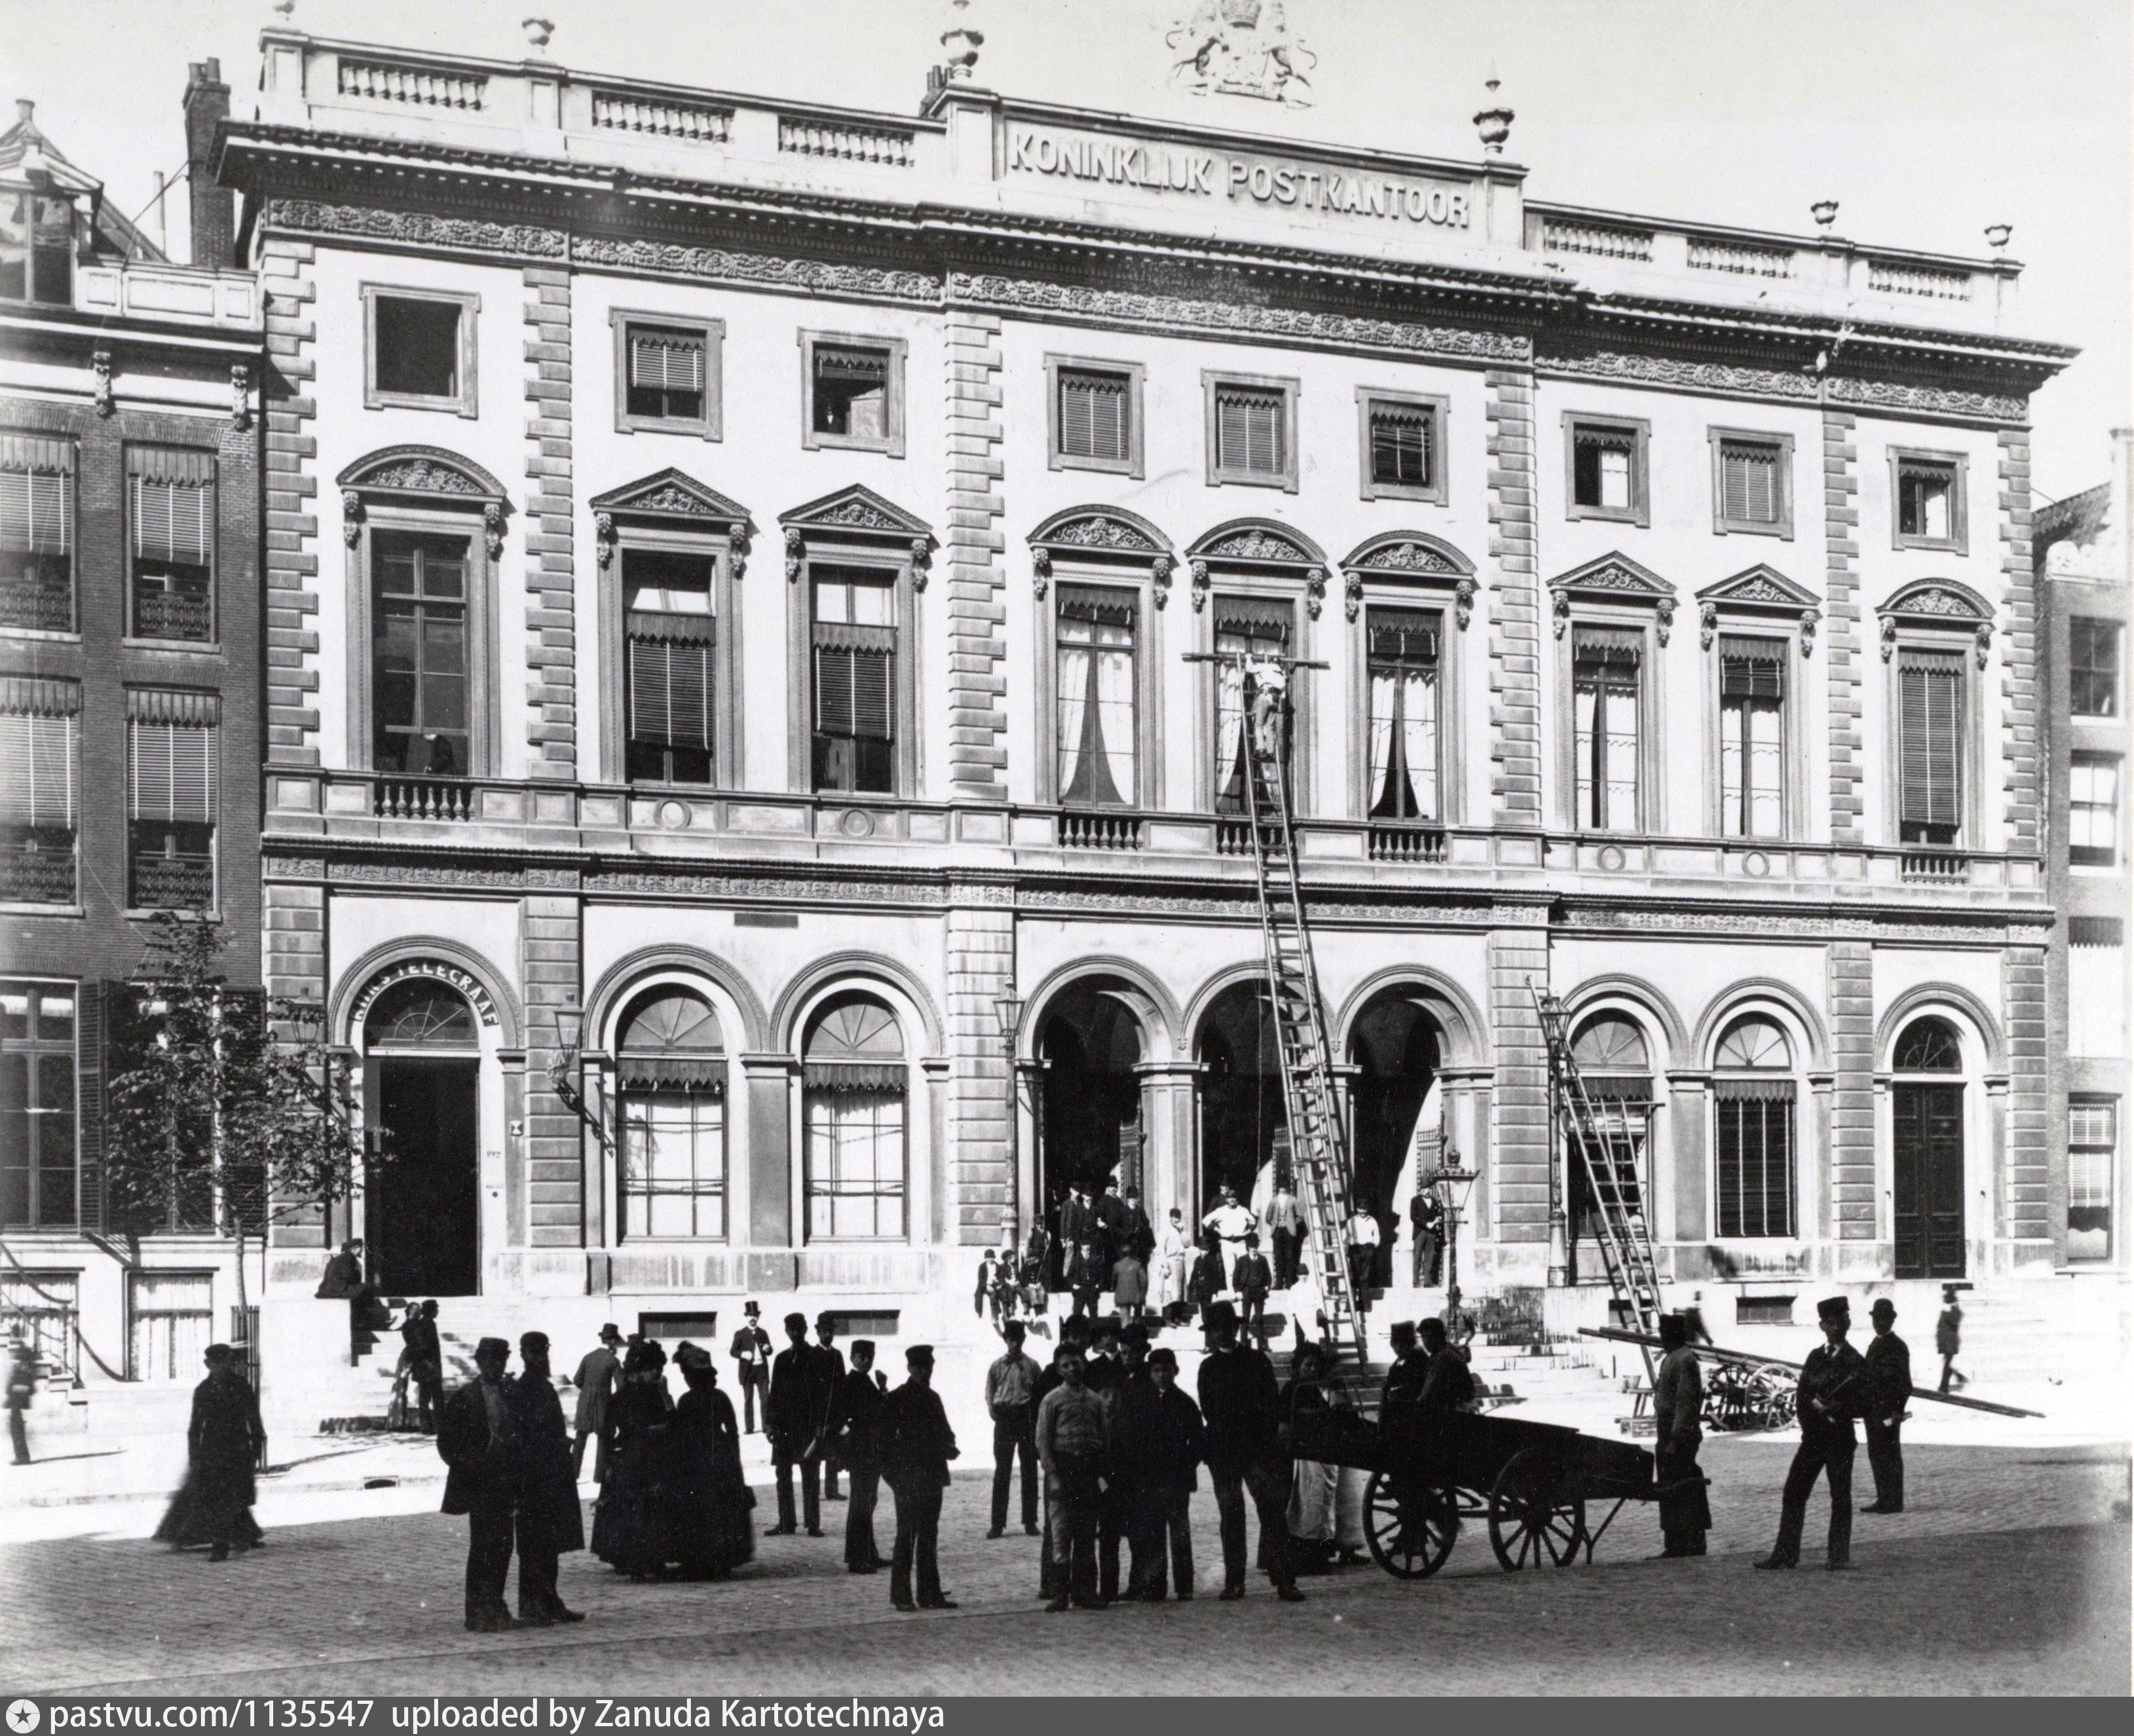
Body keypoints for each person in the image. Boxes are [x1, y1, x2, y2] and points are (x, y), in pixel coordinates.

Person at [1196, 1301, 1301, 1602]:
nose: (1220, 1334)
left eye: (1225, 1328)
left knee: (1271, 1512)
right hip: (1224, 1452)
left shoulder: (1257, 1361)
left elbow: (1271, 1402)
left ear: (1235, 1329)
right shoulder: (1208, 1367)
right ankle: (1234, 1582)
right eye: (1214, 1330)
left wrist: (1260, 1436)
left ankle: (1285, 1581)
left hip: (1257, 1450)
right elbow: (1208, 1410)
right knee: (1231, 1515)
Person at [1756, 1296, 1866, 1571]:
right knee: (1793, 1492)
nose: (1839, 1326)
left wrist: (1838, 1409)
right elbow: (1801, 1396)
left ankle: (1838, 1557)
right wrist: (1810, 1423)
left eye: (1843, 1321)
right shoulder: (1815, 1357)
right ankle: (1785, 1554)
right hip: (1814, 1439)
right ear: (1823, 1326)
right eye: (1833, 1322)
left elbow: (1865, 1403)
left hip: (1840, 1439)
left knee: (1840, 1497)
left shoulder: (1855, 1360)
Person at [153, 1344, 267, 1561]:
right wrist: (194, 1456)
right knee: (217, 1499)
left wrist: (256, 1449)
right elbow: (195, 1426)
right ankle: (221, 1545)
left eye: (227, 1362)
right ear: (208, 1364)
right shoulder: (203, 1390)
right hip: (212, 1451)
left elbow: (254, 1418)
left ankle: (237, 1538)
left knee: (235, 1497)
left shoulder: (241, 1386)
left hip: (238, 1449)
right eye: (218, 1363)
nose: (224, 1367)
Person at [438, 1337, 522, 1630]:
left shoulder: (511, 1393)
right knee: (483, 1547)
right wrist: (469, 1464)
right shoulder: (465, 1398)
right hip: (480, 1484)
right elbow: (446, 1444)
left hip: (506, 1481)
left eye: (501, 1361)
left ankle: (496, 1608)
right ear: (479, 1362)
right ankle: (476, 1614)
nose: (496, 1366)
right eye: (490, 1361)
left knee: (503, 1546)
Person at [508, 1331, 586, 1623]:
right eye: (535, 1352)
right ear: (524, 1355)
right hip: (534, 1477)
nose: (542, 1358)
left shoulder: (543, 1386)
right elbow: (523, 1434)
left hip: (552, 1474)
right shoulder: (523, 1389)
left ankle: (550, 1601)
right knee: (534, 1544)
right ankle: (532, 1606)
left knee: (549, 1543)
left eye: (543, 1351)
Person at [878, 1344, 959, 1611]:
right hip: (908, 1480)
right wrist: (896, 1480)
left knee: (928, 1536)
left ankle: (929, 1594)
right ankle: (901, 1595)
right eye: (920, 1367)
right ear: (910, 1368)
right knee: (906, 1535)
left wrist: (949, 1447)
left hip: (932, 1477)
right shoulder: (897, 1399)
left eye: (929, 1367)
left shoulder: (934, 1398)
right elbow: (883, 1446)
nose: (926, 1372)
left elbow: (947, 1433)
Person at [590, 1338, 677, 1579]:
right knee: (637, 1509)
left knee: (643, 1509)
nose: (657, 1374)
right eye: (652, 1369)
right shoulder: (633, 1396)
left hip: (644, 1458)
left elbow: (673, 1422)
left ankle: (644, 1559)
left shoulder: (650, 1394)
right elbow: (612, 1431)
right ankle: (637, 1560)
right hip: (635, 1458)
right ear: (639, 1371)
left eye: (659, 1369)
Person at [670, 1342, 754, 1579]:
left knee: (699, 1510)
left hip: (696, 1459)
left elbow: (680, 1432)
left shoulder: (686, 1400)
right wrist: (735, 1459)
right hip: (722, 1456)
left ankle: (698, 1559)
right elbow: (733, 1431)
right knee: (721, 1509)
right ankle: (722, 1558)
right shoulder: (721, 1397)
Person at [1036, 1344, 1109, 1611]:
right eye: (1065, 1365)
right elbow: (1043, 1441)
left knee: (1086, 1532)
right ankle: (1060, 1594)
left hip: (1087, 1472)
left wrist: (1101, 1474)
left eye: (1076, 1363)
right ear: (1059, 1370)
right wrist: (1053, 1474)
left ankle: (1085, 1592)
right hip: (1062, 1470)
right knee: (1061, 1531)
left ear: (1084, 1364)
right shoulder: (1051, 1400)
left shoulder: (1096, 1401)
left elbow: (1104, 1439)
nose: (1072, 1369)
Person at [1129, 1346, 1203, 1600]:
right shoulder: (1141, 1403)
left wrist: (1185, 1466)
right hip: (1149, 1480)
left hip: (1177, 1480)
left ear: (1176, 1371)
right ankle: (1155, 1585)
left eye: (1167, 1370)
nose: (1162, 1375)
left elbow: (1198, 1441)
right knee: (1154, 1533)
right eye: (1157, 1370)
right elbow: (1134, 1440)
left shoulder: (1186, 1403)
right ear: (1150, 1373)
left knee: (1180, 1532)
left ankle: (1184, 1586)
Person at [767, 1312, 834, 1536]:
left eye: (798, 1328)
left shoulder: (815, 1357)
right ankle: (786, 1522)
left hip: (807, 1427)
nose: (794, 1333)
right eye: (791, 1329)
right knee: (783, 1475)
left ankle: (813, 1524)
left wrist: (820, 1424)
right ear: (786, 1331)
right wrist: (770, 1423)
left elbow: (822, 1395)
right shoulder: (781, 1359)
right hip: (784, 1428)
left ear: (806, 1330)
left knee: (811, 1474)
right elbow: (773, 1394)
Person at [1649, 1314, 1711, 1558]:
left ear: (1672, 1335)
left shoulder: (1684, 1360)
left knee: (1682, 1487)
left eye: (1663, 1334)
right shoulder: (1672, 1358)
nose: (1661, 1338)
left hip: (1678, 1434)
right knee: (1669, 1487)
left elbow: (1686, 1404)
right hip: (1667, 1430)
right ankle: (1675, 1543)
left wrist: (1676, 1438)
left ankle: (1691, 1543)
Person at [832, 1340, 890, 1574]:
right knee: (860, 1503)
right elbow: (839, 1420)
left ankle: (869, 1553)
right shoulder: (848, 1383)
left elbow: (881, 1410)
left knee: (869, 1501)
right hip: (859, 1453)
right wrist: (851, 1438)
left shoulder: (867, 1382)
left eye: (870, 1357)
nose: (867, 1361)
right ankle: (857, 1559)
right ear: (852, 1358)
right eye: (862, 1356)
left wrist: (883, 1386)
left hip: (871, 1451)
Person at [985, 1319, 1041, 1540]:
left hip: (1026, 1418)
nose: (1014, 1344)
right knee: (1002, 1471)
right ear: (1005, 1340)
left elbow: (1040, 1394)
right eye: (1010, 1340)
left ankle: (1030, 1521)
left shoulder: (1032, 1365)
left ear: (1024, 1340)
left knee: (1029, 1469)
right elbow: (990, 1392)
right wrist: (994, 1411)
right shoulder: (997, 1366)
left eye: (1018, 1340)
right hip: (1004, 1419)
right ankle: (997, 1524)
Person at [1860, 1297, 1912, 1516]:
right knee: (1877, 1454)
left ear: (1891, 1320)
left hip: (1888, 1411)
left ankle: (1893, 1501)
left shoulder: (1897, 1346)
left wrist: (1897, 1410)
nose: (1878, 1323)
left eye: (1883, 1319)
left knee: (1890, 1455)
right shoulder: (1876, 1342)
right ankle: (1884, 1498)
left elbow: (1904, 1384)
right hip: (1873, 1410)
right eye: (1876, 1319)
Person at [314, 1238, 392, 1359]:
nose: (363, 1250)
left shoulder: (342, 1258)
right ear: (355, 1249)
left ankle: (369, 1321)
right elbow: (348, 1276)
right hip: (337, 1290)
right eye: (361, 1248)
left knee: (361, 1293)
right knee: (367, 1288)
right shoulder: (347, 1259)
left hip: (333, 1289)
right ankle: (369, 1321)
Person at [570, 1322, 624, 1481]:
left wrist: (588, 1390)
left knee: (580, 1439)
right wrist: (609, 1397)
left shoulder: (588, 1357)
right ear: (612, 1341)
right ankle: (598, 1478)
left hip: (585, 1402)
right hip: (604, 1404)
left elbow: (577, 1380)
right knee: (603, 1440)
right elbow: (621, 1386)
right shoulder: (613, 1360)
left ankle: (572, 1474)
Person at [814, 1314, 848, 1502]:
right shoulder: (812, 1354)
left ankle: (832, 1490)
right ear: (818, 1333)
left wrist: (841, 1412)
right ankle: (813, 1491)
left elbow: (842, 1384)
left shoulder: (837, 1355)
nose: (828, 1335)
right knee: (815, 1454)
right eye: (824, 1332)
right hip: (818, 1412)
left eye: (830, 1332)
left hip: (834, 1412)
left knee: (833, 1454)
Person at [1413, 1316, 1476, 1414]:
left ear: (1440, 1336)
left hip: (1454, 1413)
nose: (1426, 1341)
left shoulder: (1444, 1357)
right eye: (1423, 1337)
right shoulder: (1445, 1352)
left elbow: (1428, 1394)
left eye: (1430, 1337)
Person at [728, 1301, 772, 1434]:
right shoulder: (740, 1334)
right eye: (750, 1316)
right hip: (747, 1371)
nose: (752, 1318)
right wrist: (743, 1354)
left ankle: (766, 1427)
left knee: (765, 1399)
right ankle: (749, 1428)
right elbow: (733, 1351)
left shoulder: (763, 1333)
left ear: (758, 1317)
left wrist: (768, 1348)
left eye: (755, 1315)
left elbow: (770, 1350)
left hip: (761, 1370)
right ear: (746, 1317)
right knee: (748, 1399)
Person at [1201, 1186, 1258, 1289]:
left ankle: (1243, 1291)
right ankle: (1232, 1292)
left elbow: (1253, 1221)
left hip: (1240, 1242)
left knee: (1244, 1267)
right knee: (1230, 1270)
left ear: (1237, 1200)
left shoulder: (1243, 1210)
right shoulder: (1221, 1211)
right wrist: (1217, 1229)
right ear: (1226, 1199)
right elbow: (1205, 1221)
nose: (1232, 1200)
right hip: (1227, 1242)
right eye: (1230, 1198)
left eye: (1234, 1198)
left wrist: (1249, 1230)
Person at [1232, 1232, 1273, 1344]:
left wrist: (1267, 1287)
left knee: (1259, 1318)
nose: (1254, 1249)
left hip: (1259, 1291)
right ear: (1248, 1248)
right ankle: (1243, 1343)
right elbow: (1235, 1278)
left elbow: (1268, 1276)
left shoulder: (1263, 1260)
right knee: (1245, 1318)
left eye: (1255, 1247)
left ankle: (1261, 1344)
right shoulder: (1242, 1260)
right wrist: (1238, 1291)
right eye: (1251, 1247)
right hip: (1246, 1291)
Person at [1155, 1208, 1194, 1324]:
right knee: (1170, 1290)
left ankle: (1178, 1317)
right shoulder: (1165, 1230)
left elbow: (1188, 1244)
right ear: (1171, 1218)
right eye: (1175, 1217)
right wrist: (1165, 1266)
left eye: (1178, 1217)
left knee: (1180, 1291)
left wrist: (1182, 1231)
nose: (1177, 1220)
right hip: (1170, 1261)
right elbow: (1161, 1250)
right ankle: (1168, 1319)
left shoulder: (1180, 1230)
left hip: (1181, 1260)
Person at [1264, 1181, 1303, 1289]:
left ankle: (1290, 1283)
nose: (1283, 1189)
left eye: (1285, 1187)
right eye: (1281, 1187)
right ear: (1278, 1188)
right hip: (1277, 1231)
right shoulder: (1274, 1201)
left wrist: (1291, 1223)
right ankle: (1279, 1284)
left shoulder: (1293, 1200)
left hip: (1289, 1231)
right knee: (1278, 1257)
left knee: (1290, 1256)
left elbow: (1300, 1216)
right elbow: (1268, 1217)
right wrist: (1275, 1224)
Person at [7, 1338, 35, 1466]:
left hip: (18, 1400)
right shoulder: (22, 1364)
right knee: (16, 1430)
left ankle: (22, 1457)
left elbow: (29, 1387)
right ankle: (21, 1456)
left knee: (17, 1430)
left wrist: (14, 1389)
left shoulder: (25, 1366)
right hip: (15, 1400)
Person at [1409, 1183, 1444, 1287]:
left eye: (1427, 1188)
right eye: (1424, 1188)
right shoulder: (1415, 1200)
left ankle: (1427, 1282)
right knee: (1417, 1256)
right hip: (1420, 1231)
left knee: (1429, 1257)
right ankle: (1416, 1282)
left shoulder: (1434, 1201)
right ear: (1420, 1190)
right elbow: (1413, 1217)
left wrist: (1437, 1220)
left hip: (1432, 1232)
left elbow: (1437, 1214)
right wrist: (1425, 1224)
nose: (1426, 1190)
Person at [1343, 1206, 1381, 1301]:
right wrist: (1348, 1246)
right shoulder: (1351, 1221)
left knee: (1365, 1277)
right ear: (1357, 1209)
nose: (1363, 1211)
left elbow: (1377, 1236)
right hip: (1355, 1249)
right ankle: (1351, 1304)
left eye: (1365, 1208)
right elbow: (1346, 1236)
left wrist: (1372, 1247)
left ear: (1367, 1209)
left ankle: (1365, 1304)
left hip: (1367, 1249)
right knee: (1353, 1276)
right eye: (1361, 1208)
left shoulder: (1372, 1221)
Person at [1936, 1286, 1966, 1392]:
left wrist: (1953, 1307)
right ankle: (1958, 1378)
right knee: (1947, 1363)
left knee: (1947, 1364)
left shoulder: (1953, 1311)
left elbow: (1955, 1320)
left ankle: (1944, 1386)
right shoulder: (1948, 1311)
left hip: (1950, 1342)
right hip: (1946, 1342)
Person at [1112, 1240, 1148, 1321]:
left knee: (1125, 1319)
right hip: (1136, 1295)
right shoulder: (1137, 1265)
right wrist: (1142, 1293)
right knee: (1138, 1316)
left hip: (1122, 1295)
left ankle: (1126, 1329)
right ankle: (1137, 1326)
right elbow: (1144, 1280)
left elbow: (1114, 1281)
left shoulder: (1117, 1266)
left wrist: (1115, 1289)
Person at [1066, 1239, 1101, 1320]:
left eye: (1088, 1244)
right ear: (1081, 1246)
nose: (1087, 1247)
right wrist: (1074, 1286)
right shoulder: (1076, 1259)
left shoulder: (1094, 1259)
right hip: (1080, 1290)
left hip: (1092, 1290)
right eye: (1085, 1245)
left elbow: (1101, 1274)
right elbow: (1069, 1276)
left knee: (1094, 1315)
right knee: (1077, 1315)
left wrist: (1097, 1286)